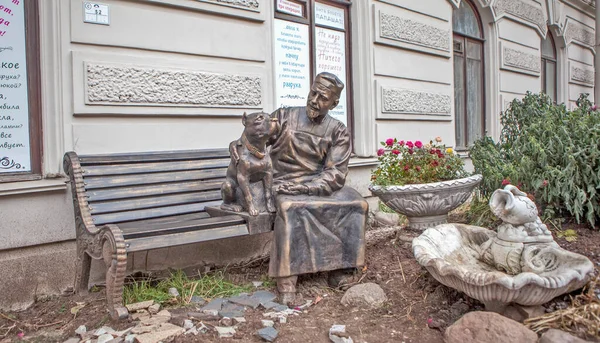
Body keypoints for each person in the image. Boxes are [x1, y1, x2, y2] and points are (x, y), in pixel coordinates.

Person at [268, 72, 368, 304]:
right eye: (313, 92)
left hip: (317, 183)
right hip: (283, 182)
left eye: (323, 98)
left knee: (357, 205)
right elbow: (255, 139)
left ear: (334, 103)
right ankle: (287, 279)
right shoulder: (283, 117)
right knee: (291, 207)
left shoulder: (338, 131)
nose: (314, 100)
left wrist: (309, 186)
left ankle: (340, 269)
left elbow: (335, 174)